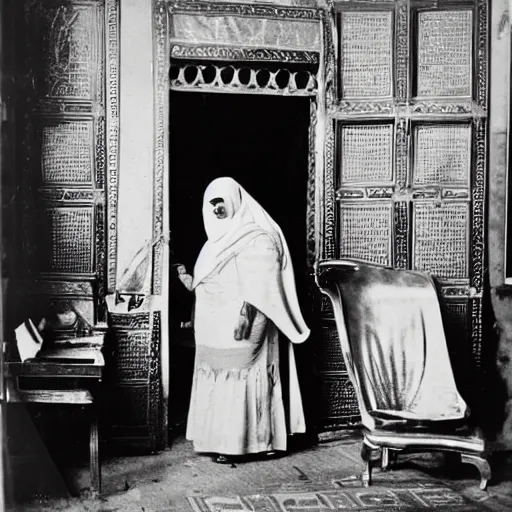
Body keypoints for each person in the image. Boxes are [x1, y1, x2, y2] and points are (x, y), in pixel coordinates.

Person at [177, 177, 310, 463]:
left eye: (221, 202)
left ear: (235, 201)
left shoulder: (258, 237)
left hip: (245, 322)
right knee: (218, 374)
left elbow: (262, 284)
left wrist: (245, 314)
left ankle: (254, 443)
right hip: (213, 325)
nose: (217, 209)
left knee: (242, 372)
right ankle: (219, 441)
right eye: (211, 204)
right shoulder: (214, 243)